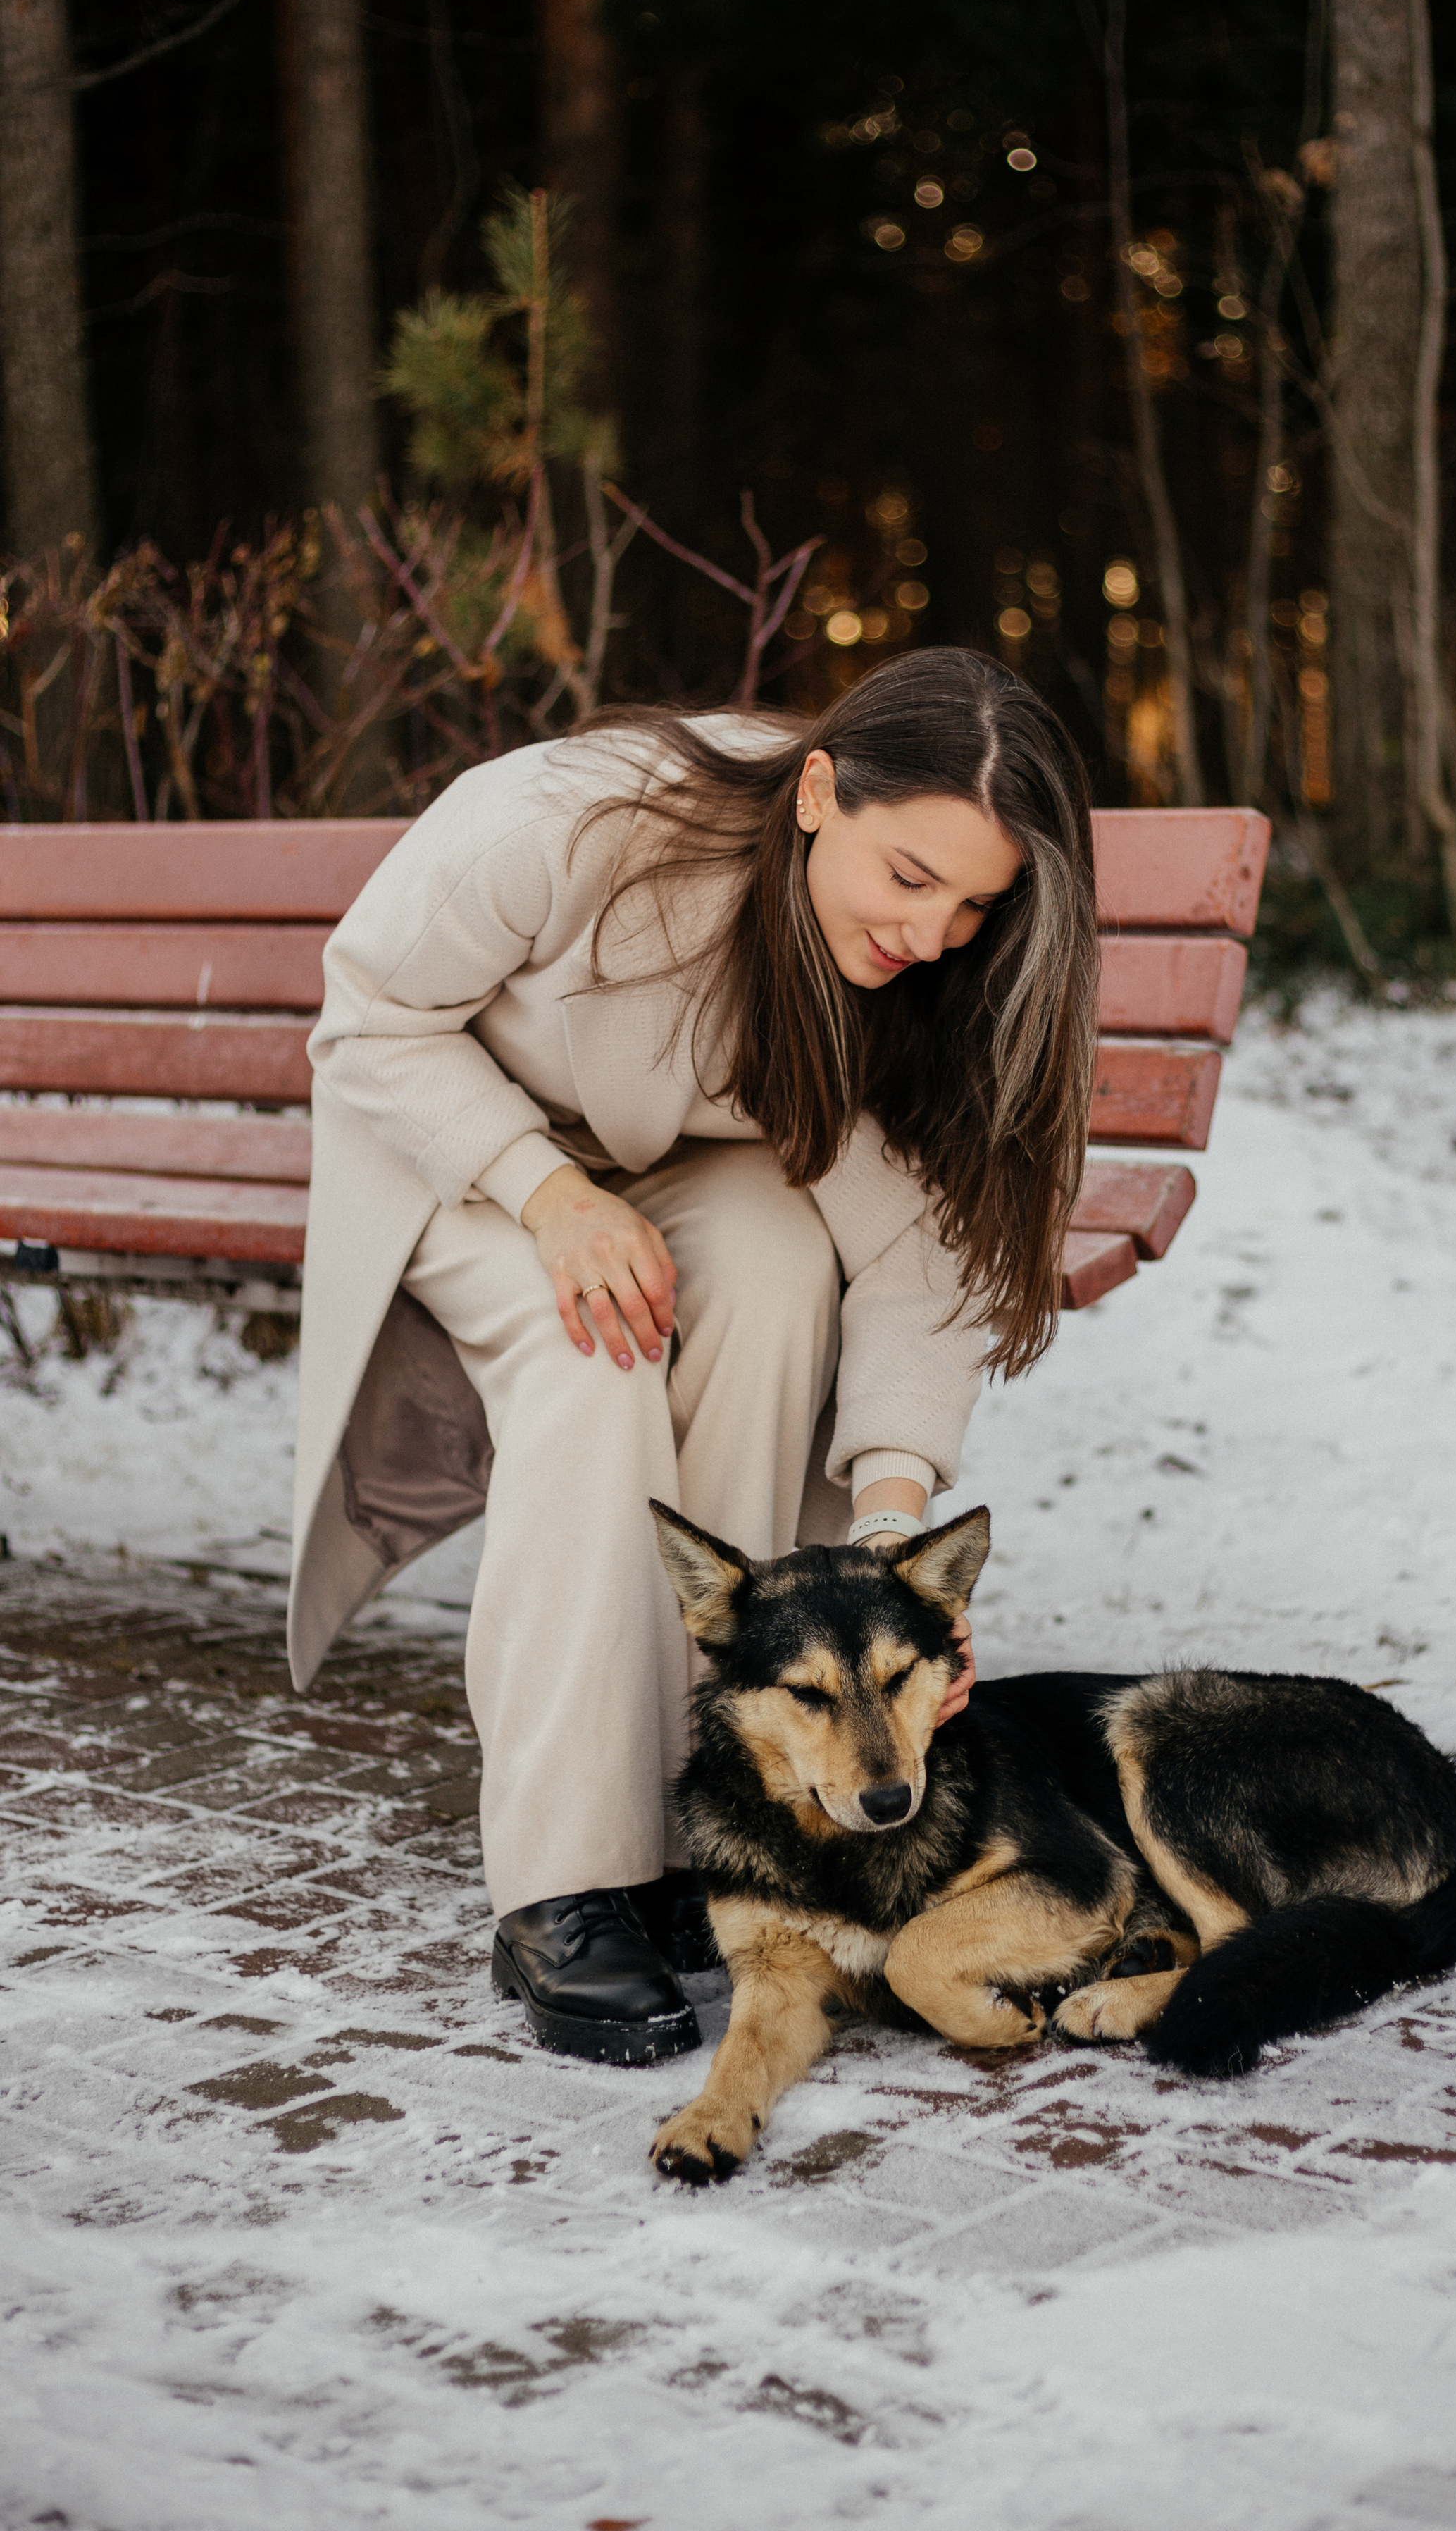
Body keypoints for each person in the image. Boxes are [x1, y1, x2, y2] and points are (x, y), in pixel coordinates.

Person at [286, 646, 1100, 2065]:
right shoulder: (580, 824)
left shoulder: (917, 979)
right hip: (460, 1146)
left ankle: (699, 1809)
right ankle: (565, 1880)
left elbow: (918, 1261)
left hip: (684, 1170)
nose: (934, 931)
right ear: (817, 793)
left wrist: (899, 1542)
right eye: (908, 877)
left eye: (975, 904)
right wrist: (549, 1193)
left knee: (784, 1273)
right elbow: (369, 1017)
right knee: (594, 1353)